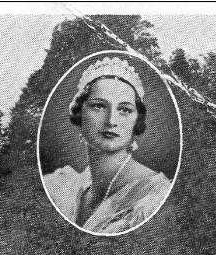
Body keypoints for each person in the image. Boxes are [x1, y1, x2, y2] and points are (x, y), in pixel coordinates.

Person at [43, 56, 172, 235]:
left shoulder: (156, 197)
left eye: (125, 110)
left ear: (137, 120)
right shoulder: (61, 188)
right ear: (80, 113)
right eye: (99, 106)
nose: (111, 120)